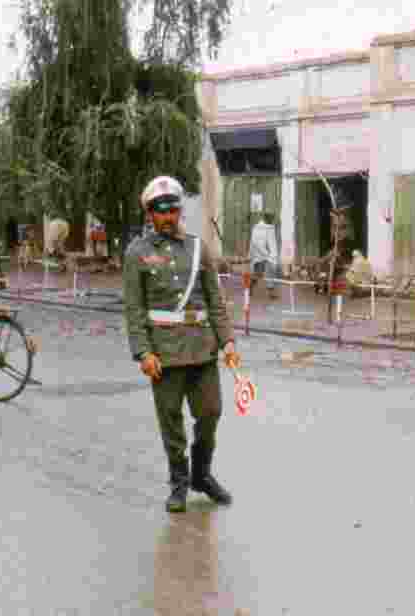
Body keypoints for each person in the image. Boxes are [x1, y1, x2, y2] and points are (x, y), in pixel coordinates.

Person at [123, 175, 241, 514]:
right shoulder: (138, 253)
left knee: (211, 413)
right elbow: (133, 309)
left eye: (172, 209)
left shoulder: (197, 247)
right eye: (160, 211)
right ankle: (179, 483)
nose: (168, 216)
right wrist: (143, 352)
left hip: (202, 348)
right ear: (150, 214)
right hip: (165, 354)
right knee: (171, 421)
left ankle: (201, 474)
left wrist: (228, 342)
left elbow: (215, 301)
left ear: (179, 211)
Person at [249, 212, 280, 298]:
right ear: (266, 218)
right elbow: (255, 243)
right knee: (258, 274)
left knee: (270, 273)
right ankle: (250, 287)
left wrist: (272, 255)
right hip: (259, 255)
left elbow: (272, 242)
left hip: (268, 256)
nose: (272, 220)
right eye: (271, 218)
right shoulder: (258, 228)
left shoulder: (270, 227)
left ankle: (271, 293)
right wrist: (266, 254)